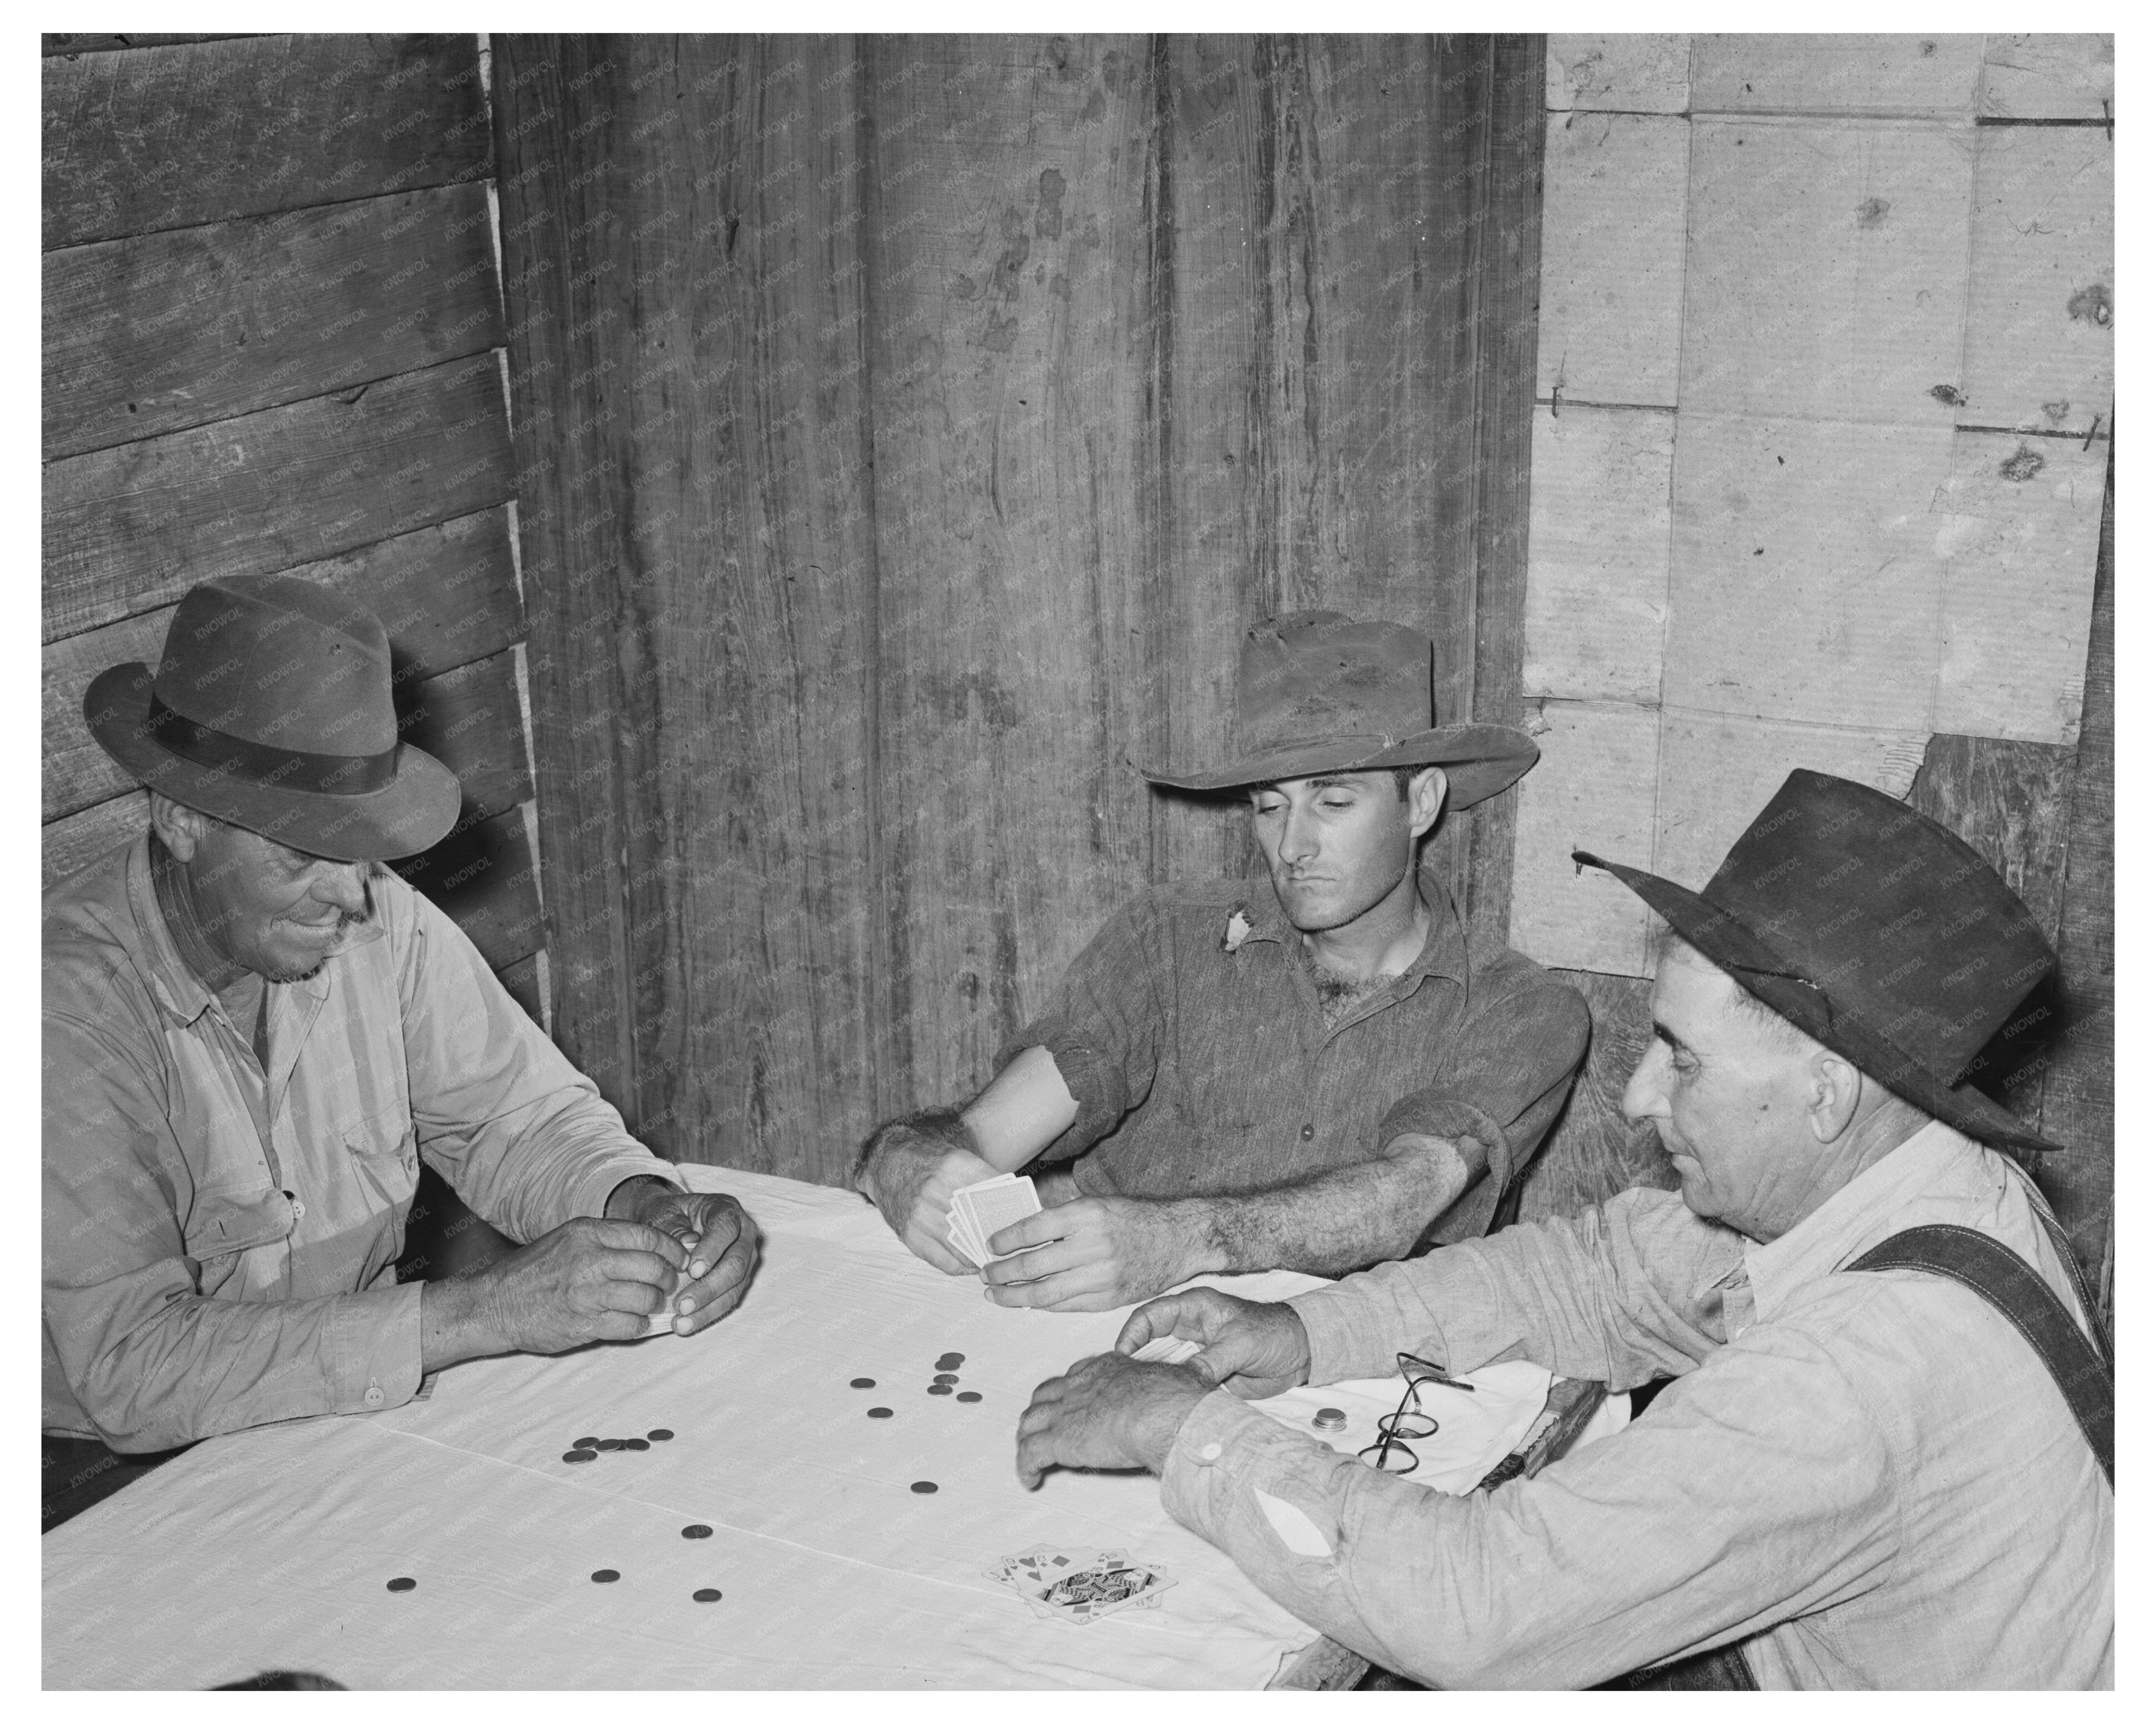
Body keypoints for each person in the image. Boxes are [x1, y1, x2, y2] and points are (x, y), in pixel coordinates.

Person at [1010, 771, 2112, 1688]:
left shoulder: (1853, 1374)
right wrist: (1304, 1335)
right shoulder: (1906, 1173)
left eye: (1680, 1057)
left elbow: (1479, 1609)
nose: (1637, 1098)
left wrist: (1177, 1429)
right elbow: (1591, 1276)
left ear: (1825, 1092)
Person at [44, 574, 760, 1457]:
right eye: (306, 851)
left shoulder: (371, 915)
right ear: (182, 819)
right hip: (106, 1488)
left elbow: (516, 1121)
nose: (352, 893)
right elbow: (135, 1369)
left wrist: (643, 1204)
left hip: (350, 1428)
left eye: (363, 849)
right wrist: (484, 1312)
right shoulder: (64, 1011)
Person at [856, 611, 1589, 1311]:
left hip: (1344, 1373)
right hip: (1104, 1336)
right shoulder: (1167, 941)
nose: (1292, 846)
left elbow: (1401, 1199)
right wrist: (903, 1161)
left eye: (1333, 803)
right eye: (1269, 808)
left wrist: (1179, 1239)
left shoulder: (1520, 1010)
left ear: (1421, 802)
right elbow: (982, 1136)